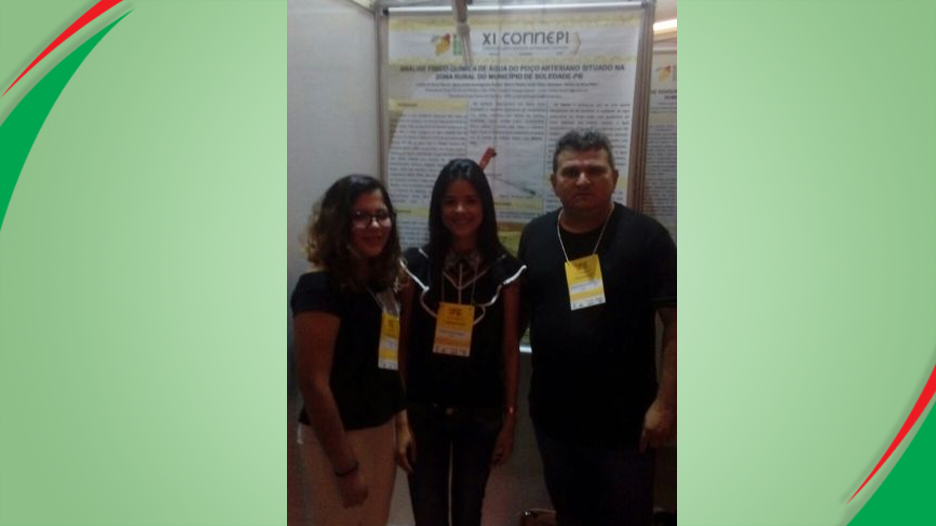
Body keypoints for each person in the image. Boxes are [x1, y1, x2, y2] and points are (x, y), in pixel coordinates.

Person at [517, 130, 677, 526]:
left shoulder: (647, 238)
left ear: (615, 177)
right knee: (572, 517)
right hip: (555, 422)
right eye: (571, 171)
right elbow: (518, 318)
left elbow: (679, 324)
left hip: (626, 428)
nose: (583, 180)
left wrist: (665, 404)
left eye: (595, 170)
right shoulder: (535, 236)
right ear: (554, 182)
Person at [397, 159, 525, 526]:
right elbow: (401, 346)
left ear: (485, 206)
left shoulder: (506, 270)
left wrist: (509, 420)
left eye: (471, 200)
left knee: (469, 513)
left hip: (481, 413)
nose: (460, 210)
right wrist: (400, 418)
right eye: (450, 201)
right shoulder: (414, 266)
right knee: (428, 513)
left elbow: (509, 349)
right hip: (424, 412)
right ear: (438, 208)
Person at [291, 175, 410, 526]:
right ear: (337, 222)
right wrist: (345, 467)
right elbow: (313, 384)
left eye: (381, 215)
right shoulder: (318, 287)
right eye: (360, 216)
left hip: (379, 431)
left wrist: (401, 423)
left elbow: (387, 361)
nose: (375, 225)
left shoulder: (379, 282)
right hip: (337, 441)